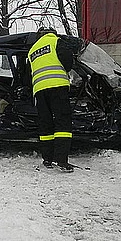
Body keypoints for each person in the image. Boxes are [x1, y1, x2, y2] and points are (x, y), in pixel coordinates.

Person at [28, 28, 75, 173]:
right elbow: (68, 62)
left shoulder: (32, 50)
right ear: (52, 33)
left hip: (39, 90)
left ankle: (47, 159)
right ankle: (62, 160)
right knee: (62, 122)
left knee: (45, 124)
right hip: (57, 86)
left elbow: (27, 73)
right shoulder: (56, 41)